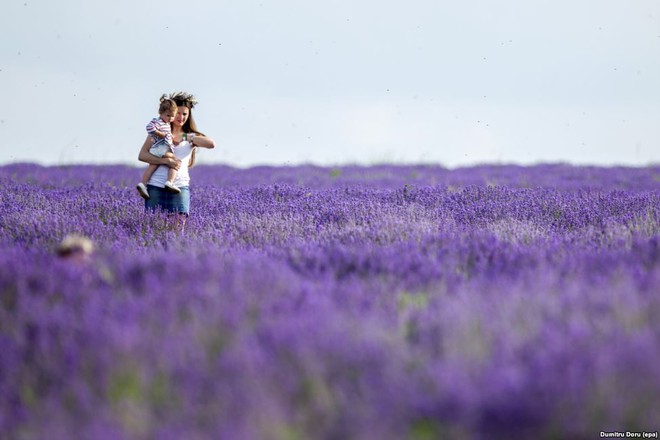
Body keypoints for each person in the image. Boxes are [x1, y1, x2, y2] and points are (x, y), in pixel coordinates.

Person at [137, 91, 216, 222]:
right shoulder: (159, 132)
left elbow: (211, 144)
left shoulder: (190, 136)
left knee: (178, 230)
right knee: (153, 228)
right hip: (155, 186)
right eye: (178, 113)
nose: (181, 117)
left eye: (185, 114)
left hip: (179, 188)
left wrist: (185, 137)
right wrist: (165, 161)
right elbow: (142, 155)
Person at [137, 95, 180, 198]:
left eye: (172, 116)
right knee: (175, 161)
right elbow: (148, 127)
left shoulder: (165, 122)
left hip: (157, 149)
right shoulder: (159, 121)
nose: (170, 118)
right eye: (168, 115)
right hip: (160, 148)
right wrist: (158, 133)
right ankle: (170, 182)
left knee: (152, 166)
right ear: (161, 113)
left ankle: (143, 184)